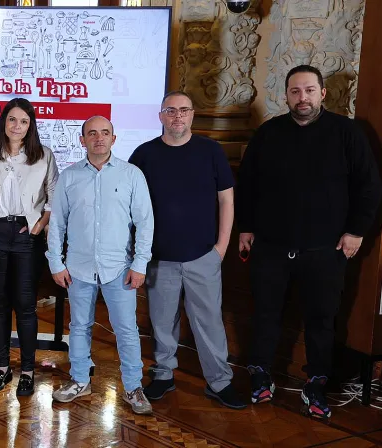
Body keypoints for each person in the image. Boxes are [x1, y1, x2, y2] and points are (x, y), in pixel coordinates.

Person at [236, 64, 382, 419]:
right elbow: (248, 185)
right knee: (265, 315)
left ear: (322, 94)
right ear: (286, 95)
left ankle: (316, 384)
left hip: (326, 249)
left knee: (322, 320)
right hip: (270, 247)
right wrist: (246, 227)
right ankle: (259, 376)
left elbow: (369, 186)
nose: (302, 98)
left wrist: (356, 231)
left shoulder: (347, 133)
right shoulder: (268, 133)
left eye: (309, 90)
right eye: (295, 91)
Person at [128, 91, 245, 409]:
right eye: (170, 110)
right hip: (159, 258)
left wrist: (221, 248)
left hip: (203, 255)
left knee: (209, 322)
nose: (177, 116)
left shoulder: (211, 151)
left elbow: (227, 200)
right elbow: (131, 206)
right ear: (161, 116)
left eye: (183, 110)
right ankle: (163, 375)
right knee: (162, 322)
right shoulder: (144, 155)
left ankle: (219, 382)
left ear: (192, 114)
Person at [46, 116, 154, 415]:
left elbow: (145, 222)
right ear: (82, 140)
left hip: (119, 267)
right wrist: (55, 261)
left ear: (113, 139)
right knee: (79, 326)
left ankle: (133, 387)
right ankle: (80, 380)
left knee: (127, 330)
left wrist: (140, 263)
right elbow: (56, 224)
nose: (98, 138)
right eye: (91, 133)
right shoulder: (68, 177)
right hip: (78, 268)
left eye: (105, 133)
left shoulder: (131, 175)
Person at [0, 98, 59, 396]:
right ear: (3, 122)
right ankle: (2, 368)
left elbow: (54, 195)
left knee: (25, 305)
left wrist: (39, 224)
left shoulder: (44, 156)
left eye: (23, 121)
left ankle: (28, 371)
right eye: (12, 120)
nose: (17, 126)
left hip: (27, 235)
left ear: (30, 125)